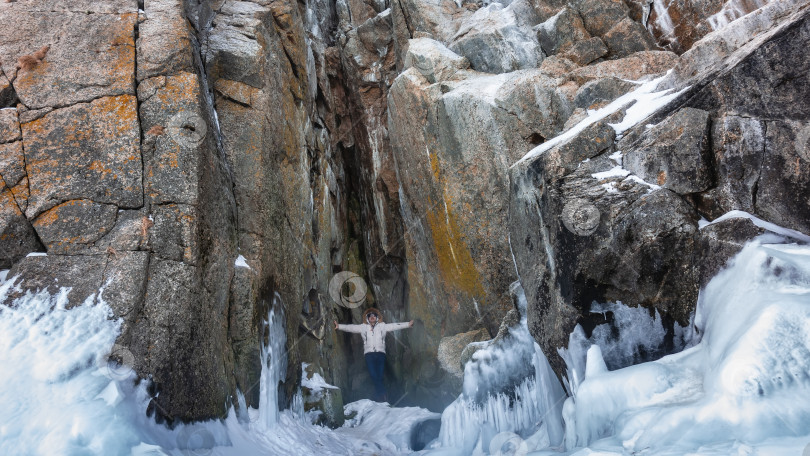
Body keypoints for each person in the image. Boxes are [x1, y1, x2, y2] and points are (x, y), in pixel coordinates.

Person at [334, 308, 414, 402]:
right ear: (367, 318)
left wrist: (408, 324)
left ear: (377, 318)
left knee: (379, 376)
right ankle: (383, 395)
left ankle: (381, 396)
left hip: (380, 354)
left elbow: (394, 325)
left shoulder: (382, 326)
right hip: (369, 355)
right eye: (370, 316)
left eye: (374, 316)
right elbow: (351, 327)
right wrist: (339, 326)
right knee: (373, 375)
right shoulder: (363, 327)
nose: (372, 317)